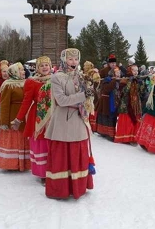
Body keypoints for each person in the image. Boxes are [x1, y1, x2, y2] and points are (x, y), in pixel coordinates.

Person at [44, 48, 95, 200]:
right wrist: (83, 95)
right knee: (62, 155)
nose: (73, 62)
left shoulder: (82, 76)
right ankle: (60, 189)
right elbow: (62, 100)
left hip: (79, 119)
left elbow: (89, 97)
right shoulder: (56, 77)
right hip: (62, 121)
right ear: (64, 59)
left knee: (77, 153)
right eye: (70, 59)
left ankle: (78, 186)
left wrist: (92, 92)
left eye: (76, 59)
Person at [12, 56, 52, 183]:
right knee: (41, 144)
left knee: (52, 142)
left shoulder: (56, 80)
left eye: (47, 65)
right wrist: (18, 119)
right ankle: (43, 173)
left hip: (54, 115)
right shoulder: (32, 82)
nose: (45, 67)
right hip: (38, 116)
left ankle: (54, 170)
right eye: (42, 65)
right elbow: (26, 102)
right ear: (37, 68)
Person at [0, 62, 30, 171]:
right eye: (20, 70)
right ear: (14, 72)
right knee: (14, 140)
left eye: (23, 70)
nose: (23, 72)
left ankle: (24, 163)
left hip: (25, 117)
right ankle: (12, 164)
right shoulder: (8, 85)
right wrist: (4, 122)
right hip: (13, 118)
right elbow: (4, 104)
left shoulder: (26, 83)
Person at [114, 64, 146, 144]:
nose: (135, 72)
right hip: (126, 104)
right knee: (128, 121)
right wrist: (130, 82)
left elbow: (142, 92)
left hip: (136, 104)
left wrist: (141, 83)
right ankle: (126, 138)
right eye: (134, 70)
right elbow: (124, 92)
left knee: (135, 120)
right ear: (130, 71)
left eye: (137, 70)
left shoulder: (138, 80)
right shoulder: (125, 79)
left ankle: (133, 138)